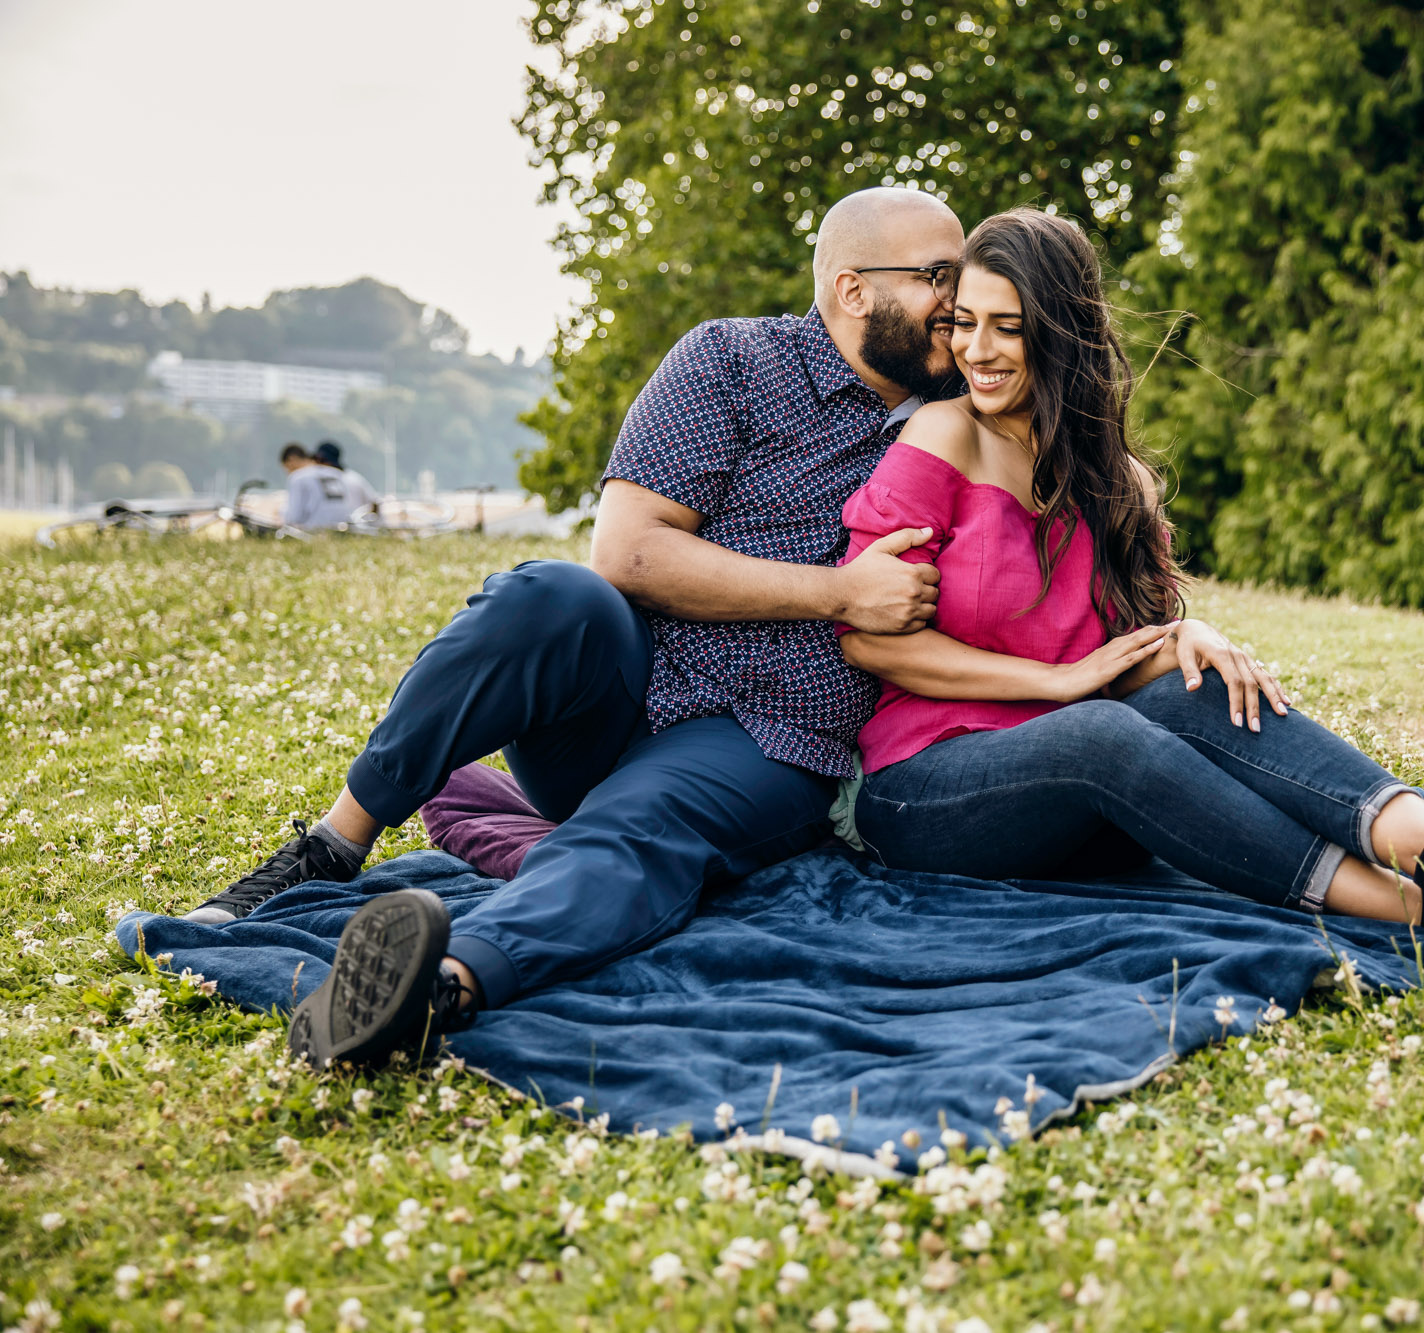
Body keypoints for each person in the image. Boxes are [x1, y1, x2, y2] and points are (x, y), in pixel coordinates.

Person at [177, 188, 968, 1069]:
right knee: (552, 593)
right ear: (855, 290)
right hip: (622, 687)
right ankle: (332, 844)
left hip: (769, 739)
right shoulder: (732, 360)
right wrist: (841, 593)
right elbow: (629, 556)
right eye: (938, 275)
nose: (959, 298)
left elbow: (1078, 459)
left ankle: (434, 986)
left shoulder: (968, 414)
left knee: (641, 825)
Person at [837, 209, 1424, 972]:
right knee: (1100, 733)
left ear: (1060, 331)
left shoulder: (1120, 483)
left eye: (1007, 327)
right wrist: (1054, 682)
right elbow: (868, 635)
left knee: (1193, 686)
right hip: (930, 789)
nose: (977, 350)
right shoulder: (943, 435)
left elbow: (1116, 665)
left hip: (1089, 805)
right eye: (965, 323)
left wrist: (1181, 640)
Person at [279, 442, 353, 530]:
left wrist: (280, 512)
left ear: (292, 459)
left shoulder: (297, 477)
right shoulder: (338, 474)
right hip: (342, 529)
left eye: (287, 468)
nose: (288, 472)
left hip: (314, 531)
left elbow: (292, 518)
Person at [313, 440, 380, 515]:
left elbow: (374, 503)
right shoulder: (353, 477)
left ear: (319, 459)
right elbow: (374, 502)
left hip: (345, 523)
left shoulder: (351, 478)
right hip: (351, 523)